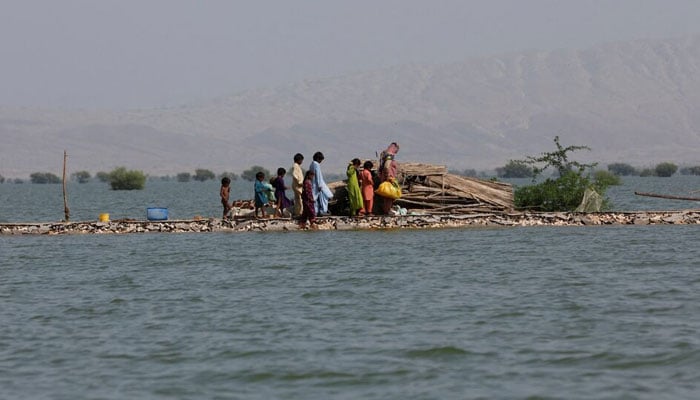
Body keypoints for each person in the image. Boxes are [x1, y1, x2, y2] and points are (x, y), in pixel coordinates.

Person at [309, 151, 333, 215]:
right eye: (320, 160)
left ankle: (316, 211)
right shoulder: (316, 164)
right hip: (318, 184)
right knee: (324, 197)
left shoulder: (311, 164)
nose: (321, 162)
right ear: (318, 158)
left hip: (313, 184)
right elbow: (318, 175)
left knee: (315, 199)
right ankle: (323, 210)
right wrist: (320, 185)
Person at [378, 142, 400, 214]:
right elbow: (386, 166)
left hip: (385, 178)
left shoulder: (385, 155)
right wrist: (388, 176)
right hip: (388, 178)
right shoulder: (389, 156)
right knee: (389, 195)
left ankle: (387, 210)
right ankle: (387, 210)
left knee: (387, 195)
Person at [291, 153, 304, 217]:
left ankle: (297, 212)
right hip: (298, 186)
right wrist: (299, 182)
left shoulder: (297, 166)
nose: (302, 162)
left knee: (297, 200)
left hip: (297, 186)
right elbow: (295, 175)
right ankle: (300, 213)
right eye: (301, 160)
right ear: (299, 160)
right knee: (299, 200)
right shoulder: (296, 166)